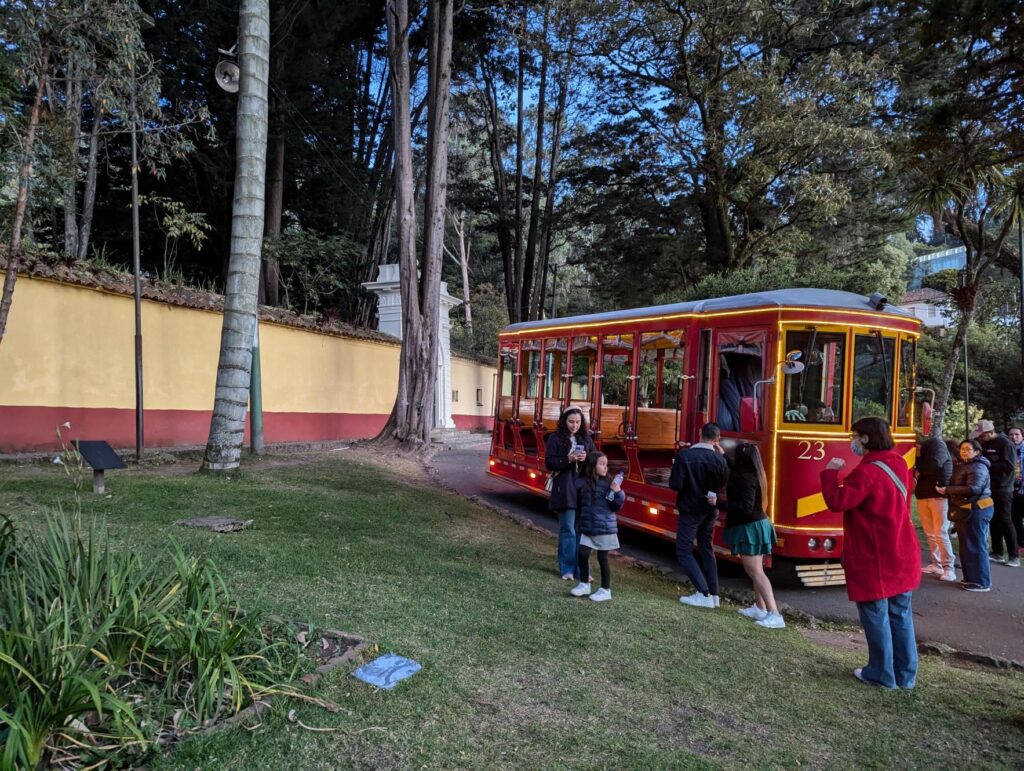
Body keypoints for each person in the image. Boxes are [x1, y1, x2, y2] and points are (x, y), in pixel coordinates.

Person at [820, 416, 921, 690]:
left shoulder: (866, 473)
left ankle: (880, 673)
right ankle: (906, 675)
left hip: (875, 555)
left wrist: (830, 473)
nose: (853, 441)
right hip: (902, 549)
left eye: (855, 436)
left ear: (865, 438)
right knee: (901, 614)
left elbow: (838, 501)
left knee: (875, 613)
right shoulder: (898, 462)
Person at [711, 442, 784, 629]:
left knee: (755, 571)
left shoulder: (745, 478)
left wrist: (717, 502)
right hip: (758, 524)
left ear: (742, 458)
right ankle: (759, 607)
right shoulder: (754, 472)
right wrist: (723, 455)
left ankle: (774, 613)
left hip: (749, 527)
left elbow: (744, 508)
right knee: (755, 570)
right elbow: (735, 467)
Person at [669, 422, 729, 609]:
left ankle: (702, 592)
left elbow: (675, 484)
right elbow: (723, 483)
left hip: (690, 508)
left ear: (700, 433)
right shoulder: (720, 460)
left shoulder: (685, 455)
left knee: (683, 550)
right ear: (717, 439)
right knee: (706, 549)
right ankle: (715, 594)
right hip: (710, 509)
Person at [545, 407, 595, 580]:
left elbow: (595, 461)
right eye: (571, 422)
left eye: (578, 422)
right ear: (564, 421)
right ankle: (567, 569)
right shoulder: (555, 438)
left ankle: (583, 571)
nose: (574, 425)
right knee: (568, 530)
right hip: (564, 487)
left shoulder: (586, 439)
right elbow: (549, 463)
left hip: (582, 488)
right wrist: (568, 459)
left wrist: (585, 458)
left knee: (581, 530)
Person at [937, 440, 994, 592]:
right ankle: (971, 579)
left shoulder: (979, 466)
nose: (964, 451)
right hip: (967, 509)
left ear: (977, 452)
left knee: (976, 545)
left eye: (968, 449)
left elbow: (974, 488)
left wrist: (948, 490)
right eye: (962, 448)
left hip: (977, 509)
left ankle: (981, 581)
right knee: (967, 545)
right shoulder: (965, 465)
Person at [570, 452, 624, 602]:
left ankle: (606, 589)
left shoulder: (609, 484)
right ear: (593, 465)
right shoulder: (584, 483)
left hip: (604, 527)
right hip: (588, 526)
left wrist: (618, 492)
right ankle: (584, 584)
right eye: (602, 464)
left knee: (602, 558)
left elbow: (616, 506)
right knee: (582, 553)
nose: (605, 467)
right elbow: (580, 503)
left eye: (606, 465)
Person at [973, 419, 1019, 567]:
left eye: (982, 435)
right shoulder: (985, 443)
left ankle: (1014, 555)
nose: (980, 438)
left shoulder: (1005, 444)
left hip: (1003, 487)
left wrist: (988, 464)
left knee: (1005, 520)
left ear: (990, 432)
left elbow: (1009, 466)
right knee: (992, 519)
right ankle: (997, 551)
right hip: (988, 487)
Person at [915, 432, 956, 581]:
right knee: (931, 533)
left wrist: (919, 465)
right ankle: (936, 564)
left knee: (941, 533)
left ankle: (948, 567)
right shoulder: (929, 451)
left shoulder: (936, 446)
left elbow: (932, 466)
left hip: (938, 495)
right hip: (924, 494)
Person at [1009, 427, 1024, 556]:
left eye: (1017, 434)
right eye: (1011, 434)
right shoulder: (1009, 449)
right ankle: (1020, 544)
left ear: (1022, 436)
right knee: (1015, 517)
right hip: (1012, 487)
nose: (1014, 437)